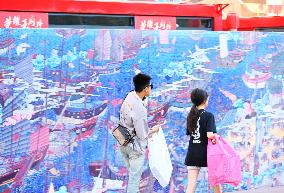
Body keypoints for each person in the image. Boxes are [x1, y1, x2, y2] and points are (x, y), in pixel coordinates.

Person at [119, 73, 160, 193]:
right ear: (146, 88)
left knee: (131, 176)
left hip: (122, 140)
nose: (151, 88)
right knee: (134, 181)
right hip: (134, 147)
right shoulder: (139, 109)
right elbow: (142, 134)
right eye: (150, 86)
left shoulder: (130, 96)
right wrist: (154, 130)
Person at [184, 88, 222, 193]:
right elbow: (210, 135)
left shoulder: (190, 116)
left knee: (191, 186)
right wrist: (216, 138)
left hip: (192, 154)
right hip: (207, 155)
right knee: (216, 182)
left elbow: (190, 134)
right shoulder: (209, 115)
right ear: (205, 100)